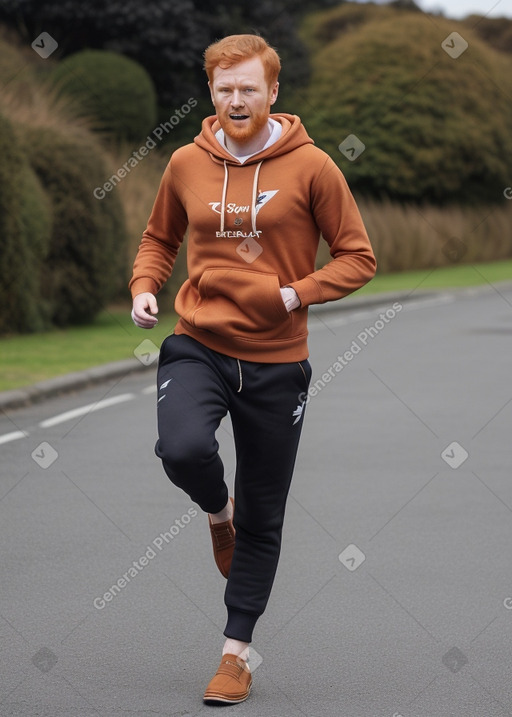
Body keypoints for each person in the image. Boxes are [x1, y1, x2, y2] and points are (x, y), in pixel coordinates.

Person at [129, 33, 376, 705]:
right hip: (198, 342)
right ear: (211, 93)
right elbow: (160, 237)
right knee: (180, 447)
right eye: (223, 88)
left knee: (264, 516)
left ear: (273, 92)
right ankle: (216, 510)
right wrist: (145, 285)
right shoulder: (185, 161)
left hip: (277, 363)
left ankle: (234, 655)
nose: (236, 99)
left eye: (248, 88)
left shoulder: (314, 167)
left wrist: (296, 292)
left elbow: (357, 256)